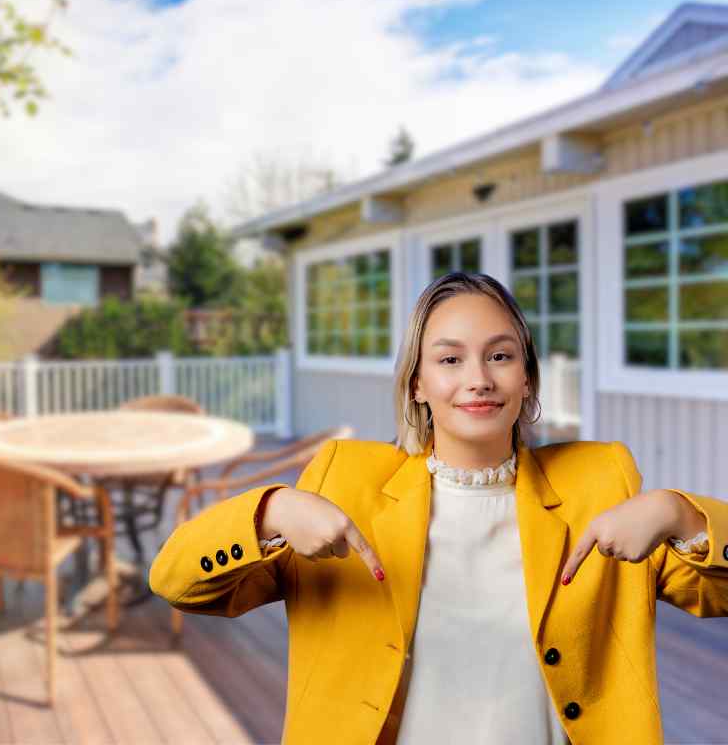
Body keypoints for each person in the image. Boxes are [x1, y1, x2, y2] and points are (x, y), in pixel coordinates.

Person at [149, 271, 727, 745]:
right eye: (450, 360)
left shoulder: (602, 480)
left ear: (526, 378)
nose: (478, 379)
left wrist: (682, 517)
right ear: (417, 384)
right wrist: (269, 512)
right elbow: (176, 581)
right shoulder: (343, 480)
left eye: (500, 356)